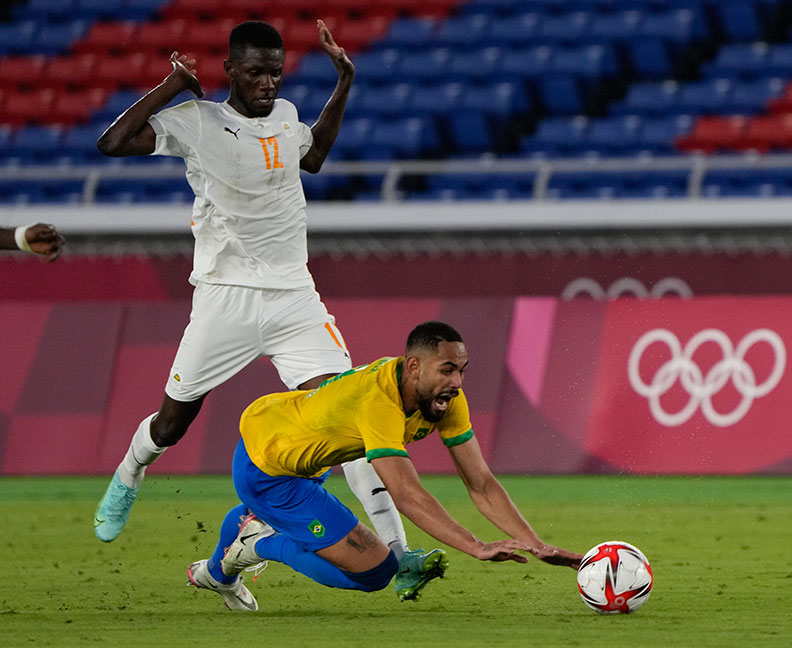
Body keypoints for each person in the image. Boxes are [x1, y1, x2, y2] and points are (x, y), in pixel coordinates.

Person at [92, 20, 427, 598]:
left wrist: (343, 82)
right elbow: (112, 144)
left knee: (352, 413)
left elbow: (315, 156)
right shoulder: (198, 123)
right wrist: (174, 85)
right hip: (225, 296)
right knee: (173, 422)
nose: (268, 82)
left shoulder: (287, 113)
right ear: (229, 71)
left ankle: (398, 552)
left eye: (275, 71)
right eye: (255, 72)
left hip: (294, 298)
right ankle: (130, 471)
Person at [186, 321, 582, 610]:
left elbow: (481, 484)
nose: (458, 382)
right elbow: (406, 494)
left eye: (461, 370)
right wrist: (475, 546)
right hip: (269, 471)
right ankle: (259, 542)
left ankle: (226, 563)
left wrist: (537, 545)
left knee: (356, 551)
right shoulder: (379, 403)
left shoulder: (445, 400)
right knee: (375, 571)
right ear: (413, 367)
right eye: (447, 370)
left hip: (301, 449)